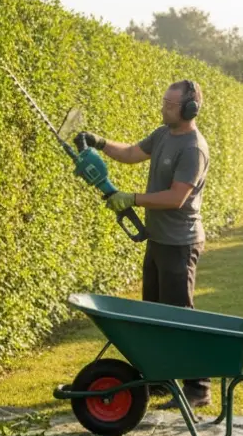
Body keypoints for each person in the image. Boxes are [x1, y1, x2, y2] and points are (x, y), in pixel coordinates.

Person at [75, 79, 211, 408]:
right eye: (163, 102)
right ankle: (161, 380)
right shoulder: (163, 134)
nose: (163, 108)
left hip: (180, 243)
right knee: (153, 315)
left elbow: (177, 197)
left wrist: (131, 198)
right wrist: (100, 142)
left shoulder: (193, 148)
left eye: (170, 105)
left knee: (180, 316)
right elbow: (133, 153)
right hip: (159, 240)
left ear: (190, 109)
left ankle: (198, 389)